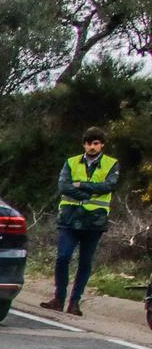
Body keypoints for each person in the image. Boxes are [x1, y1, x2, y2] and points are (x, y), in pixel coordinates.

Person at [44, 127, 122, 316]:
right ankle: (59, 298)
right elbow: (64, 186)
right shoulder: (71, 162)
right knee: (63, 257)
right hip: (70, 218)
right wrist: (87, 194)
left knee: (85, 262)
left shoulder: (111, 164)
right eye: (89, 143)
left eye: (96, 143)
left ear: (102, 145)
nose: (92, 147)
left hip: (94, 220)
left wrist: (80, 185)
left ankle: (75, 302)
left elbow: (109, 186)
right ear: (84, 144)